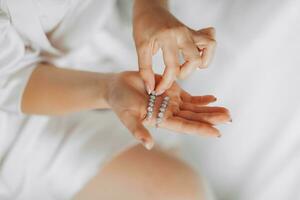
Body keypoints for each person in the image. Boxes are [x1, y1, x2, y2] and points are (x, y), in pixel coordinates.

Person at [0, 0, 230, 199]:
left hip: (104, 43)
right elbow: (10, 80)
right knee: (180, 189)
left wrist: (150, 8)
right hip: (23, 105)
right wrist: (108, 89)